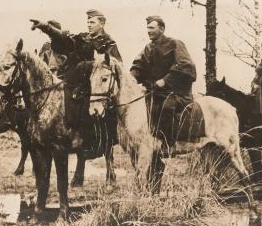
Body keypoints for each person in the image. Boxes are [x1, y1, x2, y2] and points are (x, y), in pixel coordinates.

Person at [30, 10, 122, 150]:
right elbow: (64, 39)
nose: (89, 25)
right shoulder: (83, 37)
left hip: (94, 87)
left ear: (102, 24)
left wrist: (87, 66)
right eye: (88, 22)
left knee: (89, 111)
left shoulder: (109, 42)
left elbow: (115, 65)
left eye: (92, 22)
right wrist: (45, 27)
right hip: (74, 82)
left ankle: (91, 143)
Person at [130, 15, 196, 152]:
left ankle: (169, 144)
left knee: (167, 108)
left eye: (152, 28)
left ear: (162, 29)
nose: (149, 31)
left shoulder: (175, 44)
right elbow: (138, 65)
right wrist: (131, 78)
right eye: (147, 28)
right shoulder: (147, 48)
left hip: (176, 91)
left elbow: (185, 65)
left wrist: (165, 81)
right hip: (156, 91)